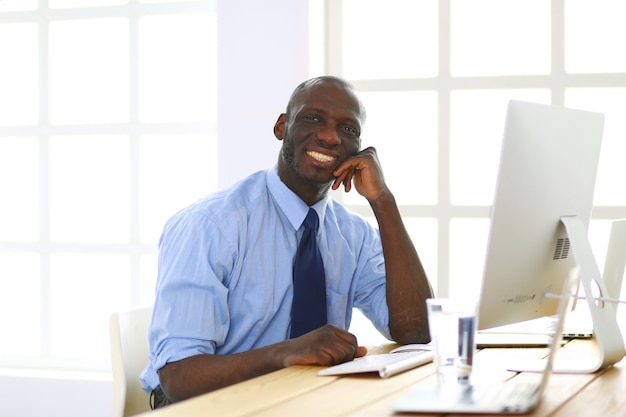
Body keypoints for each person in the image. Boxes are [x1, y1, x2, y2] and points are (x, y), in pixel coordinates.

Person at [140, 75, 434, 408]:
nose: (329, 136)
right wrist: (289, 353)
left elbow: (417, 331)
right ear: (282, 127)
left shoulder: (354, 235)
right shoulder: (212, 225)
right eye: (313, 119)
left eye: (348, 129)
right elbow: (179, 378)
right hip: (205, 407)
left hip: (300, 400)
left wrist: (383, 201)